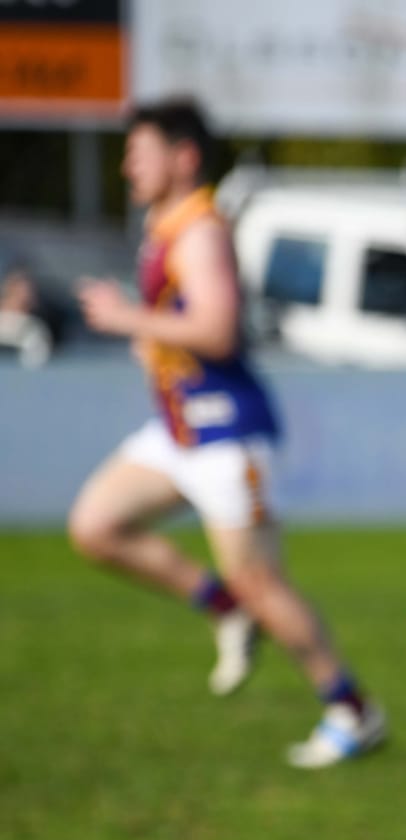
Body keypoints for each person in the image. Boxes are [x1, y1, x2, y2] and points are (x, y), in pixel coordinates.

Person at [67, 98, 384, 768]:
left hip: (227, 433)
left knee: (263, 584)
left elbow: (217, 330)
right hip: (179, 431)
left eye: (140, 151)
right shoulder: (165, 223)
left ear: (183, 158)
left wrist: (130, 321)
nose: (128, 165)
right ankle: (222, 607)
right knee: (95, 525)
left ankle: (353, 710)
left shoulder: (200, 229)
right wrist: (150, 337)